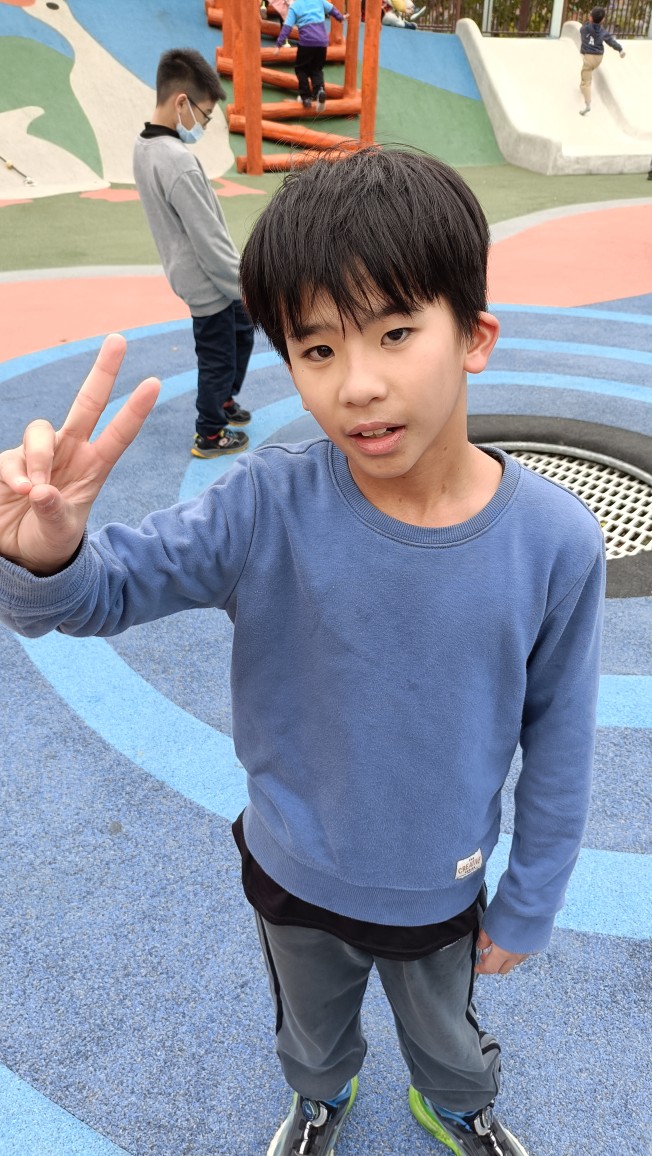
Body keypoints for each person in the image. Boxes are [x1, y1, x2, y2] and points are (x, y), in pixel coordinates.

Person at [0, 148, 605, 1156]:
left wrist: (530, 898)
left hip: (441, 883)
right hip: (292, 869)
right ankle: (320, 1094)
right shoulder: (263, 507)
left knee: (446, 1032)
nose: (358, 384)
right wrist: (46, 551)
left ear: (475, 336)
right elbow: (95, 594)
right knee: (311, 1024)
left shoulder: (554, 543)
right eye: (317, 349)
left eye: (397, 332)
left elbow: (561, 742)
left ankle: (457, 1102)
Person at [133, 48, 254, 459]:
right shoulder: (178, 161)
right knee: (217, 357)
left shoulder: (145, 145)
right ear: (181, 102)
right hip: (209, 281)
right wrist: (246, 285)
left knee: (240, 333)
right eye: (204, 116)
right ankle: (210, 433)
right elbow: (208, 239)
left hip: (197, 274)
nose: (202, 125)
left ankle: (224, 399)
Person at [273, 0, 346, 111]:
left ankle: (306, 97)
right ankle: (319, 91)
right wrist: (340, 17)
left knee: (301, 69)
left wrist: (279, 44)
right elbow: (331, 9)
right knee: (316, 69)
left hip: (307, 43)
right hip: (322, 42)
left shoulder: (295, 6)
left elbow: (287, 26)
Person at [578, 6, 625, 116]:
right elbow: (611, 42)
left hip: (588, 57)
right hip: (599, 58)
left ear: (590, 17)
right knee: (588, 71)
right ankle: (584, 84)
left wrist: (589, 22)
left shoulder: (584, 29)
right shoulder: (603, 32)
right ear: (603, 20)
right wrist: (620, 49)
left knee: (586, 81)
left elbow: (582, 29)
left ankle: (587, 104)